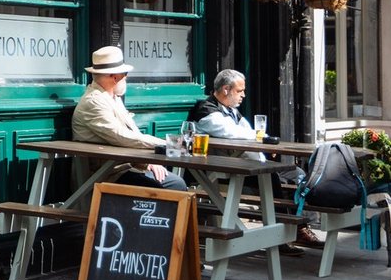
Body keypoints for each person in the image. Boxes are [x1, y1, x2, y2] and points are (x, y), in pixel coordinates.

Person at [186, 70, 322, 247]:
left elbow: (248, 132)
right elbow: (232, 132)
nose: (244, 95)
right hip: (224, 171)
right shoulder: (207, 109)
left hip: (247, 165)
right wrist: (262, 138)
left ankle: (298, 226)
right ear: (226, 89)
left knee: (296, 174)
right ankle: (281, 237)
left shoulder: (232, 111)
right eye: (240, 91)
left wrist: (262, 140)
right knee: (271, 176)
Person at [70, 46, 189, 191]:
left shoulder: (112, 98)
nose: (126, 77)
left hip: (124, 168)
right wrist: (169, 144)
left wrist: (149, 163)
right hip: (105, 175)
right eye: (125, 73)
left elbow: (133, 135)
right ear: (115, 77)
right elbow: (122, 136)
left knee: (176, 183)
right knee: (175, 186)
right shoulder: (94, 101)